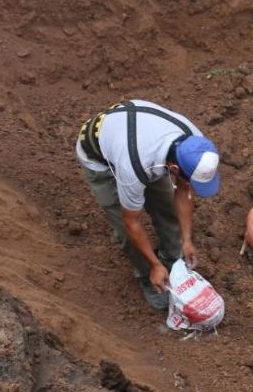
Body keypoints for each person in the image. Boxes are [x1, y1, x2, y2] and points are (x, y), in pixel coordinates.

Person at [75, 100, 221, 310]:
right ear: (174, 167)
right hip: (98, 157)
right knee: (125, 230)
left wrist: (187, 239)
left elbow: (184, 189)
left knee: (167, 208)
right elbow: (131, 222)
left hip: (137, 137)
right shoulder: (134, 168)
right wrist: (153, 265)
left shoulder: (194, 143)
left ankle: (171, 261)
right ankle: (148, 274)